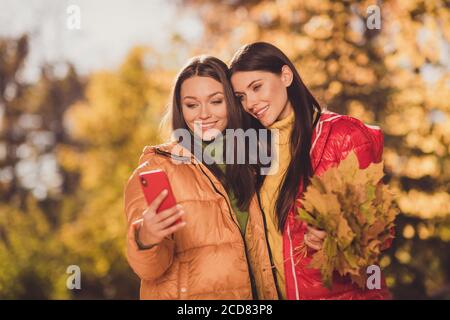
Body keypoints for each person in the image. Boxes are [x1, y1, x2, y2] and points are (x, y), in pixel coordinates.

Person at [229, 42, 393, 300]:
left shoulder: (343, 135)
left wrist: (337, 236)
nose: (250, 103)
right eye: (241, 96)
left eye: (256, 87)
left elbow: (379, 233)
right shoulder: (254, 154)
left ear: (285, 76)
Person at [124, 55, 278, 299]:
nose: (203, 114)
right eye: (192, 105)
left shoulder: (259, 158)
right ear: (180, 108)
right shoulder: (157, 166)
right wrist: (146, 238)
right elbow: (149, 269)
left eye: (216, 101)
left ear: (233, 102)